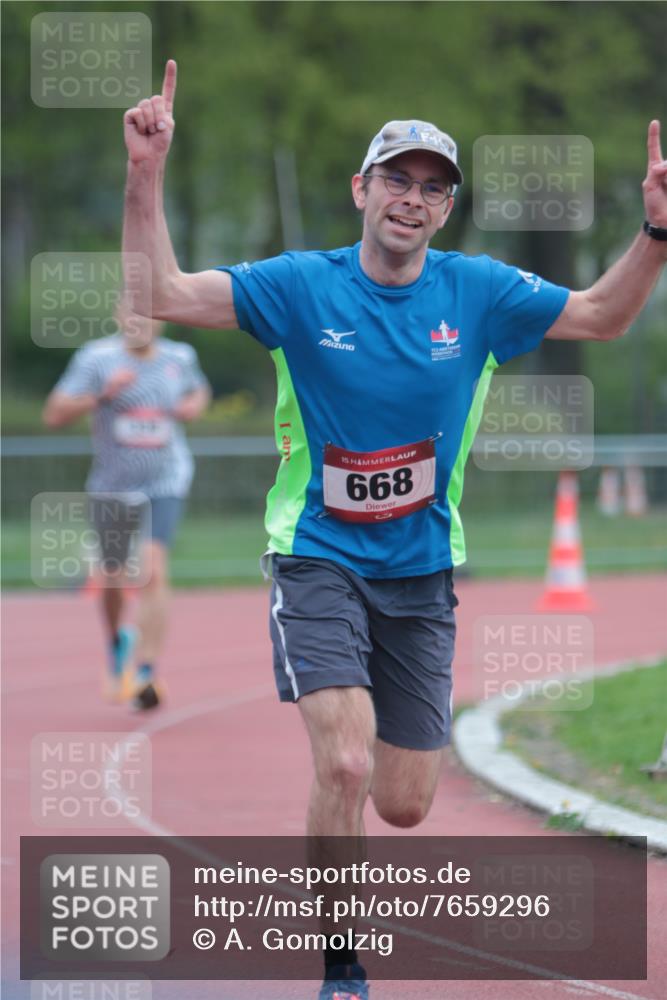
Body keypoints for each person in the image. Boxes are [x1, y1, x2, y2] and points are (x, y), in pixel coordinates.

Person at [121, 60, 667, 998]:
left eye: (432, 188)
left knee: (404, 803)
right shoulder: (298, 286)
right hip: (316, 555)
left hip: (421, 570)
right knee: (340, 759)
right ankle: (342, 961)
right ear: (360, 190)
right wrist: (144, 172)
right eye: (397, 180)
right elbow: (163, 294)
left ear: (444, 211)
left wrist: (657, 230)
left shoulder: (479, 293)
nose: (411, 200)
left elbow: (604, 316)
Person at [43, 300, 211, 710]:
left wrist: (194, 406)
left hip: (165, 479)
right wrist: (102, 394)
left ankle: (147, 672)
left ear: (162, 320)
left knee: (153, 569)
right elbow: (54, 414)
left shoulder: (179, 356)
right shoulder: (96, 358)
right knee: (114, 578)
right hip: (112, 486)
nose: (141, 322)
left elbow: (198, 390)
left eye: (150, 314)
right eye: (133, 314)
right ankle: (117, 640)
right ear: (118, 316)